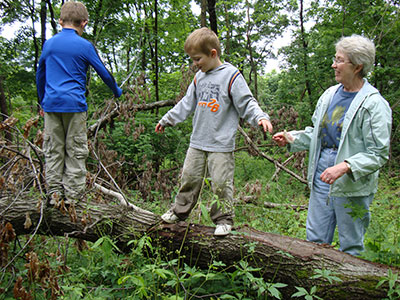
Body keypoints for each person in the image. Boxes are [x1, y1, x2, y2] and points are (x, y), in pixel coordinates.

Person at [273, 34, 392, 256]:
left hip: (352, 179)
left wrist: (345, 166)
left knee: (351, 244)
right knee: (315, 239)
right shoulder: (329, 95)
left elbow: (378, 153)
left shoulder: (374, 104)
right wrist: (292, 138)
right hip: (322, 171)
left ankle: (349, 288)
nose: (333, 65)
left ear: (357, 66)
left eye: (339, 60)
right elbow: (316, 134)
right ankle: (316, 287)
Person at [156, 27, 273, 236]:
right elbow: (186, 103)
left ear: (213, 54)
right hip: (198, 141)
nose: (195, 64)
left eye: (197, 59)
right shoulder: (198, 78)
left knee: (220, 183)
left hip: (221, 143)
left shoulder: (231, 76)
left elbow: (247, 102)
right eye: (192, 59)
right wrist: (167, 120)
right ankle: (179, 212)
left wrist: (261, 117)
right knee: (189, 179)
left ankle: (224, 219)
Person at [36, 1, 122, 205]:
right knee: (75, 149)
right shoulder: (84, 46)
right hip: (74, 105)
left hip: (51, 105)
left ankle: (54, 195)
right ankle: (73, 198)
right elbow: (104, 73)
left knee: (53, 149)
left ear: (60, 21)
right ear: (84, 23)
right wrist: (116, 91)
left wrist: (42, 102)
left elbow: (40, 74)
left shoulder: (49, 44)